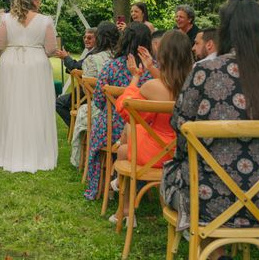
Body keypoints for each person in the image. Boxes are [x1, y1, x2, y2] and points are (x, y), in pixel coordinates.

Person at [161, 0, 259, 256]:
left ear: (225, 30)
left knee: (173, 174)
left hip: (208, 200)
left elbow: (180, 128)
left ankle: (214, 254)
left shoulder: (205, 72)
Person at [110, 30, 193, 223]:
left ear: (162, 56)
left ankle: (126, 209)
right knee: (128, 141)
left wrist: (135, 78)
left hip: (156, 151)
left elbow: (125, 108)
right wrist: (151, 68)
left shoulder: (151, 87)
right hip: (183, 150)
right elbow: (172, 85)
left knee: (125, 143)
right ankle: (124, 208)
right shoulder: (194, 85)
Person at [0, 0, 58, 173]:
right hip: (37, 64)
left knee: (11, 106)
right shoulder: (45, 21)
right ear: (34, 1)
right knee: (36, 106)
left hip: (10, 64)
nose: (40, 2)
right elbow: (51, 49)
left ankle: (9, 152)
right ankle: (37, 153)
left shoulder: (6, 19)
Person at [84, 23, 156, 199]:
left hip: (110, 128)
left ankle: (99, 185)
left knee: (98, 126)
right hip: (145, 130)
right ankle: (137, 186)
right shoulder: (155, 71)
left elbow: (99, 101)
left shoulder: (111, 67)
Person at [70, 21, 119, 166]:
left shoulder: (92, 59)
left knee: (84, 110)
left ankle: (81, 159)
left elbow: (89, 93)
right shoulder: (125, 59)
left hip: (101, 112)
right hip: (125, 113)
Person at [55, 27, 97, 127]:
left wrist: (66, 57)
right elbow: (78, 67)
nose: (86, 40)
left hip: (88, 93)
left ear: (97, 39)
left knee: (59, 103)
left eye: (90, 38)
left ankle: (76, 128)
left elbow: (77, 67)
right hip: (92, 91)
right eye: (85, 37)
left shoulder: (93, 54)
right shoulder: (93, 52)